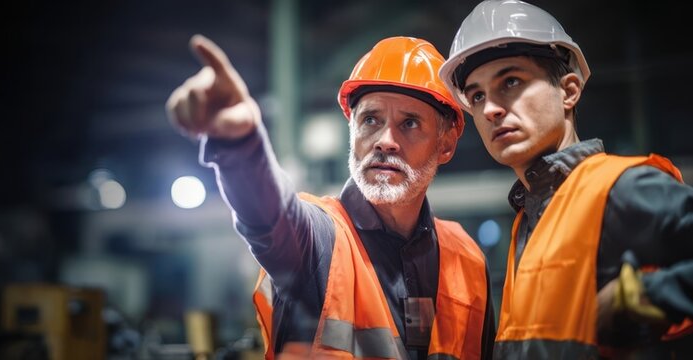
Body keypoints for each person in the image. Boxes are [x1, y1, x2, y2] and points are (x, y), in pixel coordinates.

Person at [166, 34, 496, 359]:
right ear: (352, 130)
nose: (385, 141)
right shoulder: (320, 240)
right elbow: (271, 216)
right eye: (370, 120)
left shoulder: (467, 258)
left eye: (409, 123)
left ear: (446, 144)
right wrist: (241, 145)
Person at [437, 1, 693, 358]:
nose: (490, 108)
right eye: (477, 95)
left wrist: (646, 297)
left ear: (569, 91)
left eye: (510, 81)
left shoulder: (619, 188)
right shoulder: (530, 218)